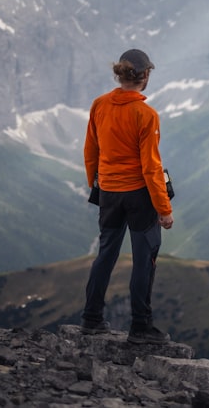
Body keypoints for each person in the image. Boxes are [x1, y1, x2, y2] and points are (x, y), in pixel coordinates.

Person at [80, 48, 174, 344]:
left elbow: (90, 151)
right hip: (138, 196)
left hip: (108, 191)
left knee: (105, 254)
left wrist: (97, 183)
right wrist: (164, 207)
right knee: (144, 258)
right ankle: (141, 327)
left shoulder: (99, 105)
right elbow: (151, 167)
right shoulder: (146, 114)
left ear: (120, 73)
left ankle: (91, 319)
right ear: (145, 76)